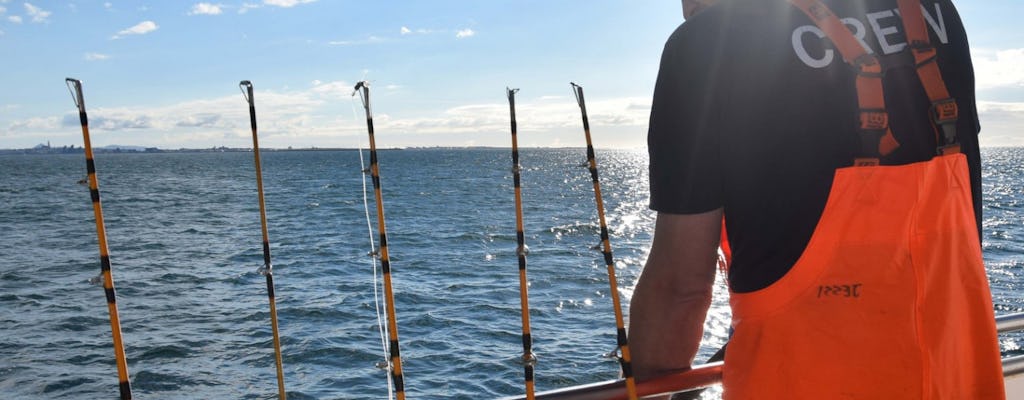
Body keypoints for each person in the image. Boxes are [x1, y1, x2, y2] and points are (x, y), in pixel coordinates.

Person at [628, 0, 1006, 398]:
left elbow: (680, 290)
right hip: (958, 380)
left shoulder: (706, 45)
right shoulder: (936, 13)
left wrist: (647, 386)